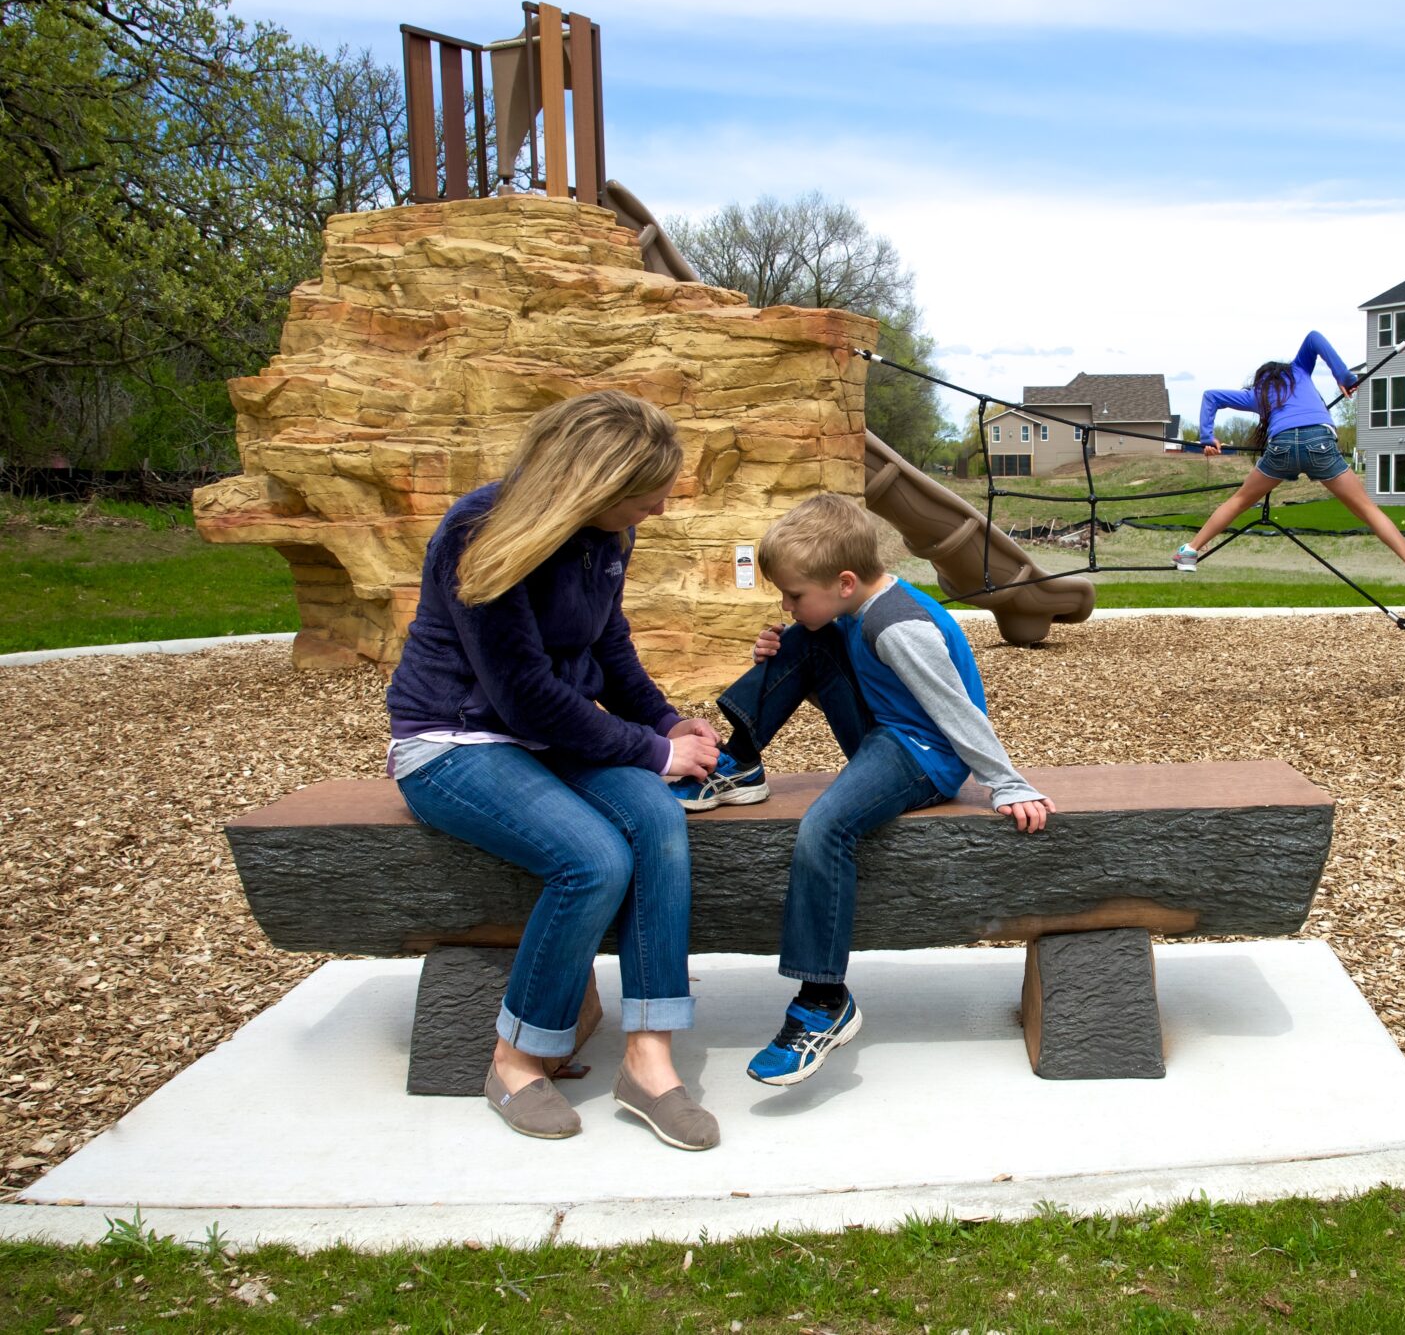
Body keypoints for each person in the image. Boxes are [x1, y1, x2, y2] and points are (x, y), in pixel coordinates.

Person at [386, 390, 722, 1151]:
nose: (660, 510)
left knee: (659, 820)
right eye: (648, 494)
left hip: (546, 737)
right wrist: (655, 751)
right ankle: (514, 1059)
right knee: (592, 858)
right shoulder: (482, 531)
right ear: (596, 486)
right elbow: (524, 696)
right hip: (454, 741)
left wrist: (667, 721)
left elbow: (610, 651)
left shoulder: (608, 534)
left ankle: (649, 1059)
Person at [674, 493, 1054, 1087]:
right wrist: (778, 656)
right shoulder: (853, 606)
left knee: (825, 827)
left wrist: (1005, 782)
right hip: (884, 731)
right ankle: (740, 763)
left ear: (845, 581)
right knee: (798, 640)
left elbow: (955, 710)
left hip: (923, 756)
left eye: (794, 593)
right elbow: (828, 658)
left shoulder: (898, 625)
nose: (786, 601)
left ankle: (823, 1001)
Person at [1173, 329, 1405, 585]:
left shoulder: (1259, 394)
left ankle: (1190, 551)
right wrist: (1344, 377)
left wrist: (1208, 438)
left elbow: (1211, 397)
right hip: (1320, 443)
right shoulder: (1299, 369)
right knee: (1367, 509)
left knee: (1238, 502)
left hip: (1280, 447)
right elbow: (1314, 337)